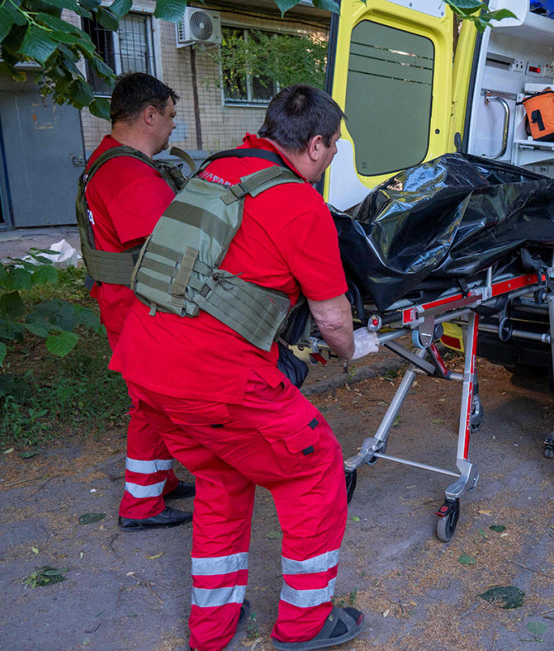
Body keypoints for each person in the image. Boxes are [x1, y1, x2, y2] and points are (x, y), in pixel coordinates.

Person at [110, 84, 375, 651]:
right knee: (316, 468)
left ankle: (213, 626)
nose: (330, 163)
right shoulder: (298, 203)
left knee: (223, 479)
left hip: (146, 364)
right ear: (316, 144)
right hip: (215, 380)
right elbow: (332, 321)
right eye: (331, 152)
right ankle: (305, 624)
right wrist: (355, 349)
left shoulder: (217, 171)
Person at [77, 72, 195, 531]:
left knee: (151, 399)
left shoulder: (107, 160)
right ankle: (141, 506)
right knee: (153, 403)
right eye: (169, 117)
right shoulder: (129, 173)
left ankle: (158, 483)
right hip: (141, 308)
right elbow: (166, 247)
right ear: (149, 115)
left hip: (124, 302)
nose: (171, 128)